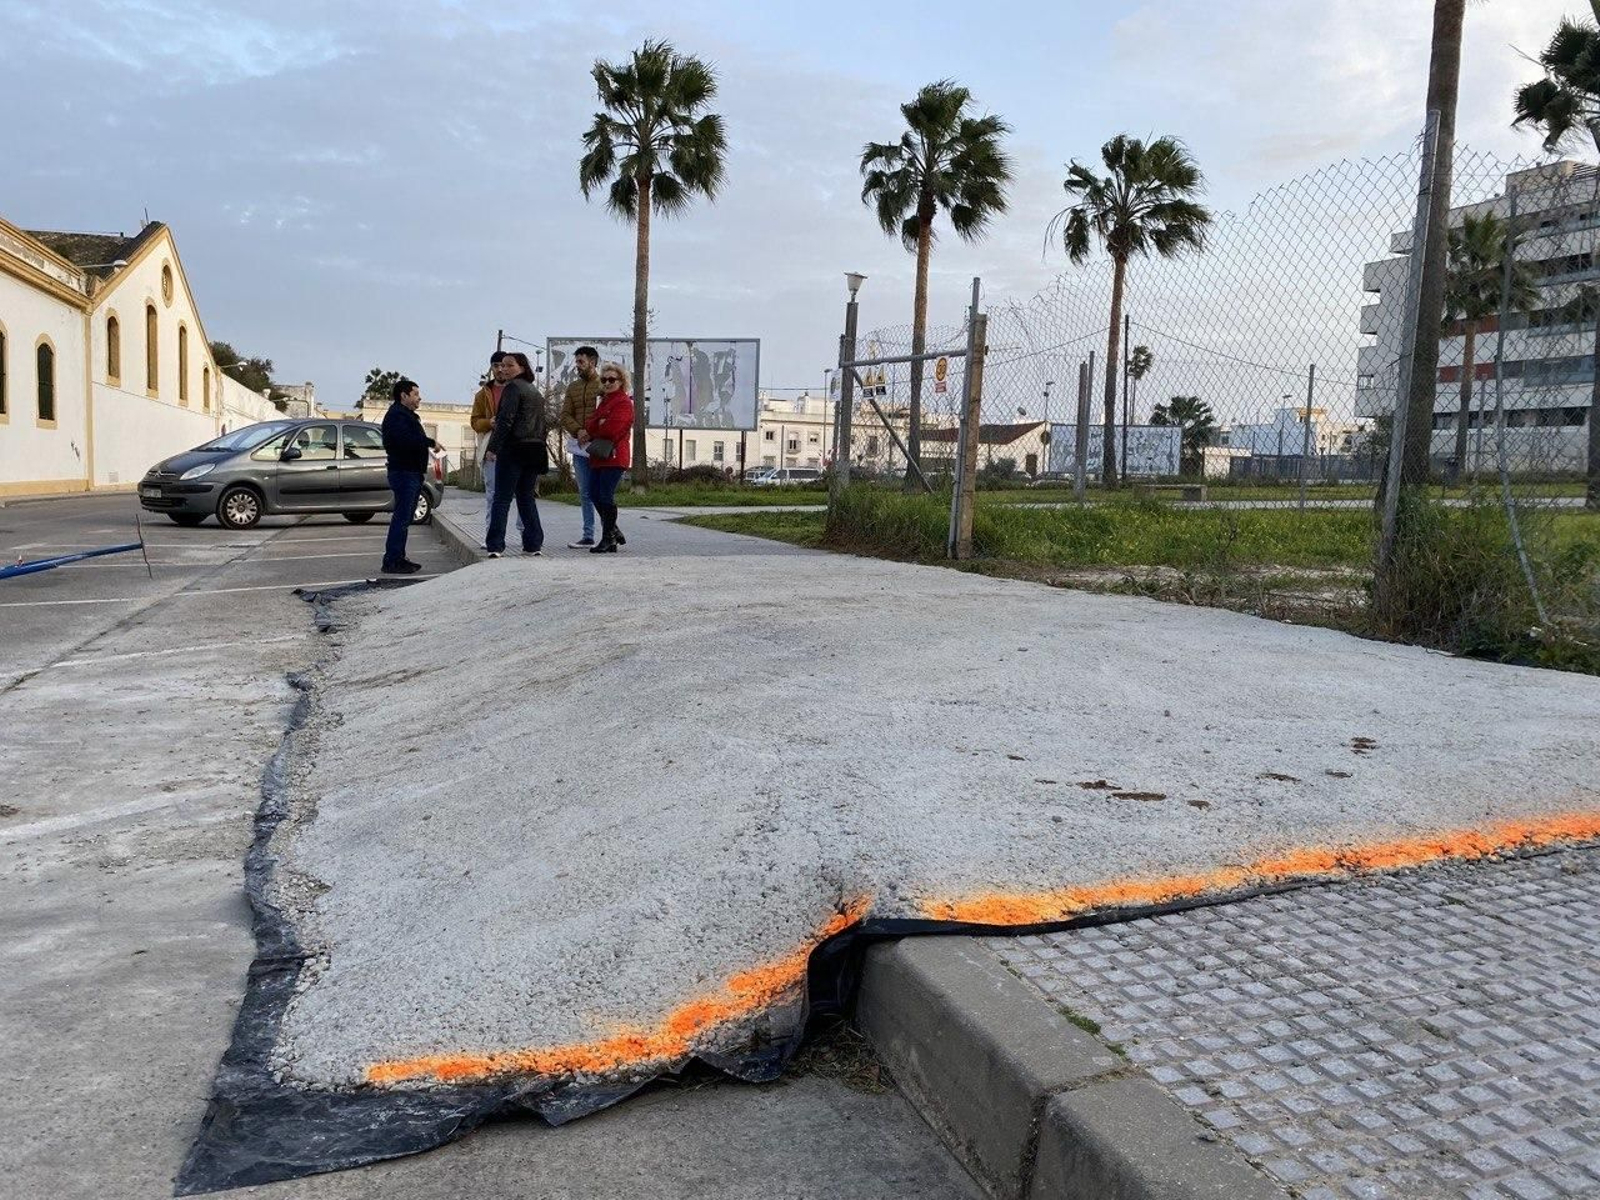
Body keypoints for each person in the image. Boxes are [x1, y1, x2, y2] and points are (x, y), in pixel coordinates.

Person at [482, 351, 548, 558]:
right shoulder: (534, 391)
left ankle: (495, 545)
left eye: (510, 365)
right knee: (526, 497)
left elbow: (505, 420)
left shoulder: (512, 389)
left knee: (502, 498)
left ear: (522, 367)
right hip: (534, 449)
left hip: (514, 449)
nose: (504, 369)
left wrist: (493, 447)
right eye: (501, 365)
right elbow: (542, 424)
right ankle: (533, 543)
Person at [380, 378, 441, 575]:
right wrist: (430, 442)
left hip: (411, 472)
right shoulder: (397, 416)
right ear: (403, 395)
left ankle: (398, 557)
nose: (419, 398)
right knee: (402, 517)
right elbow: (406, 440)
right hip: (404, 472)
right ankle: (392, 561)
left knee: (404, 518)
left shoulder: (406, 415)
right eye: (415, 394)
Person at [583, 361, 635, 554]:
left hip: (614, 455)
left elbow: (612, 430)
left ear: (621, 381)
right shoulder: (605, 401)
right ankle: (613, 532)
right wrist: (599, 423)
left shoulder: (623, 402)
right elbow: (590, 425)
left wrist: (599, 425)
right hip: (599, 456)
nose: (607, 383)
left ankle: (607, 538)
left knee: (604, 495)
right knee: (593, 493)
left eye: (611, 379)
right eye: (604, 379)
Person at [558, 345, 603, 548]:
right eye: (576, 361)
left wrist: (591, 432)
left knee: (602, 492)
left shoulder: (605, 384)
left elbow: (608, 414)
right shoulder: (573, 387)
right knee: (585, 492)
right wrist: (579, 431)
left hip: (601, 446)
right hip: (579, 447)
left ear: (592, 362)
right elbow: (565, 415)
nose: (577, 365)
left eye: (581, 361)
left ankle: (609, 532)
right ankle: (588, 535)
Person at [470, 350, 514, 542]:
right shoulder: (483, 394)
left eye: (503, 365)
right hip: (491, 448)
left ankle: (526, 535)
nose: (500, 370)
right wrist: (490, 423)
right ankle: (491, 535)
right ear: (491, 368)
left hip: (515, 447)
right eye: (496, 366)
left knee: (521, 494)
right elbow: (474, 422)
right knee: (492, 494)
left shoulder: (518, 389)